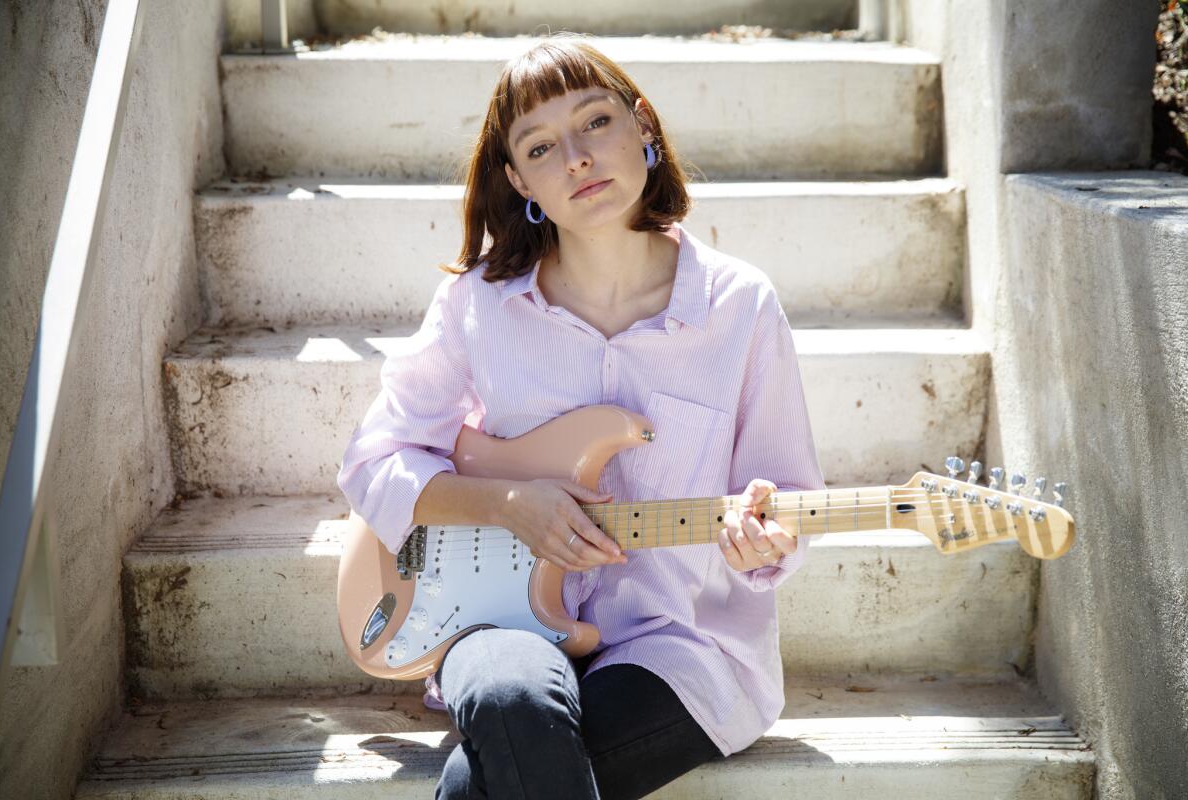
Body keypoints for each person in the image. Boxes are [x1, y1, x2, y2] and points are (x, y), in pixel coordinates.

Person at [336, 34, 825, 800]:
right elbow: (374, 459)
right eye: (541, 145)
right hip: (504, 625)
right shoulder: (482, 307)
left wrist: (760, 541)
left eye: (595, 123)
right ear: (517, 178)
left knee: (475, 789)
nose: (577, 158)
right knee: (504, 698)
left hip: (679, 644)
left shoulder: (739, 306)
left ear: (643, 127)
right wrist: (506, 505)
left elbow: (786, 500)